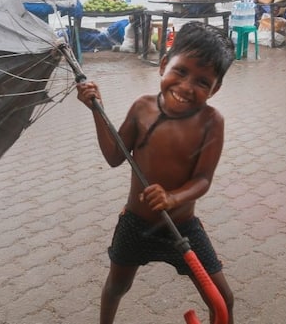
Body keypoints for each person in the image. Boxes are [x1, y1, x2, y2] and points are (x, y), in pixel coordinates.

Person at [76, 21, 236, 324]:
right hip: (135, 224)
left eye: (203, 82)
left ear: (215, 89)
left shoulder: (211, 122)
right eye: (181, 71)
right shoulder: (142, 108)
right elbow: (114, 157)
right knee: (117, 286)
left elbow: (203, 180)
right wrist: (97, 111)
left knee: (222, 298)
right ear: (164, 65)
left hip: (183, 229)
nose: (187, 87)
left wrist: (174, 198)